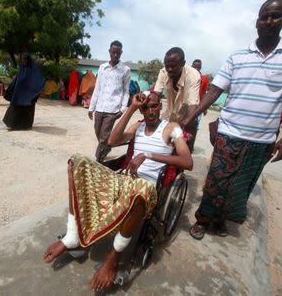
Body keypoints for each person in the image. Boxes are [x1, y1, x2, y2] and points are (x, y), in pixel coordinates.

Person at [182, 0, 282, 240]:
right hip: (229, 132)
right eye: (264, 16)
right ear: (257, 22)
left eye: (276, 16)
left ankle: (220, 221)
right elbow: (215, 90)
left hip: (262, 139)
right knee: (216, 182)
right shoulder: (237, 56)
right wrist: (192, 116)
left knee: (239, 188)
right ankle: (203, 219)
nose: (269, 21)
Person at [43, 91, 193, 291]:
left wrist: (146, 155)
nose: (150, 111)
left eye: (154, 106)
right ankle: (72, 236)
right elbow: (111, 141)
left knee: (141, 187)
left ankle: (113, 258)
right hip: (122, 180)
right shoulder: (138, 126)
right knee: (76, 162)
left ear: (160, 106)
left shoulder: (170, 128)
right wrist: (131, 107)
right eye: (145, 107)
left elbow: (187, 161)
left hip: (146, 188)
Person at [88, 40, 131, 162]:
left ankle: (99, 159)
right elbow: (98, 88)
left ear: (121, 53)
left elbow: (126, 91)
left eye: (118, 53)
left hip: (113, 109)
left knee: (104, 136)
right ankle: (106, 148)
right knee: (98, 132)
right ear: (109, 52)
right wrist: (92, 107)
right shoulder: (102, 68)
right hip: (100, 107)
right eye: (113, 52)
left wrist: (122, 109)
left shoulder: (125, 70)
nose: (115, 55)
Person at [154, 47, 201, 152]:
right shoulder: (163, 72)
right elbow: (156, 95)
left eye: (174, 66)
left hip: (188, 120)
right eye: (167, 66)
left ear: (183, 63)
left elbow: (192, 106)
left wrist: (183, 132)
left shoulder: (193, 76)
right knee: (161, 149)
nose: (170, 69)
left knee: (181, 155)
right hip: (168, 118)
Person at [2, 52, 45, 130]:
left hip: (29, 94)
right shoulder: (22, 67)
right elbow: (19, 78)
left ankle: (27, 125)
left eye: (25, 60)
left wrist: (37, 91)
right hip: (20, 93)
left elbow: (40, 79)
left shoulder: (34, 69)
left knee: (28, 110)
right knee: (15, 107)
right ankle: (12, 125)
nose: (23, 61)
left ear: (28, 60)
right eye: (23, 60)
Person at [191, 59, 209, 145]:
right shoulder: (187, 77)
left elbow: (204, 93)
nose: (195, 69)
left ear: (200, 67)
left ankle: (191, 145)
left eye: (197, 67)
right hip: (187, 105)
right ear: (191, 67)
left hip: (198, 107)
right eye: (194, 67)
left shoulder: (204, 79)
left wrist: (204, 107)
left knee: (195, 126)